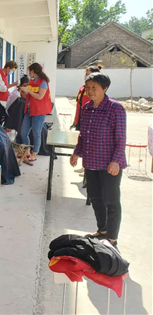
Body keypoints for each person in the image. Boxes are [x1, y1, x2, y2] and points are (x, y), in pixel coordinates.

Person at [70, 73, 126, 248]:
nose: (90, 91)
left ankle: (112, 238)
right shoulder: (86, 108)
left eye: (94, 87)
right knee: (95, 197)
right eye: (88, 87)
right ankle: (102, 230)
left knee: (111, 201)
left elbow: (121, 138)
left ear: (105, 88)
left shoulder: (115, 108)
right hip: (91, 161)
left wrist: (116, 160)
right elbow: (83, 135)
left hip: (110, 164)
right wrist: (76, 153)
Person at [20, 62, 52, 162]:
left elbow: (40, 96)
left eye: (30, 71)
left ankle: (35, 153)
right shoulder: (32, 81)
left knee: (36, 133)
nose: (29, 73)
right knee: (23, 132)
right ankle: (27, 151)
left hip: (39, 111)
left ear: (33, 71)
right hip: (29, 110)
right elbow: (31, 95)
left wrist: (28, 91)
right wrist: (24, 92)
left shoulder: (43, 82)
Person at [73, 65, 102, 131]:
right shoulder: (82, 88)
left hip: (90, 122)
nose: (87, 77)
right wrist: (75, 120)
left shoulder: (98, 90)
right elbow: (78, 105)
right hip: (81, 120)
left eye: (89, 75)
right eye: (86, 75)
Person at [0, 61, 19, 125]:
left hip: (2, 101)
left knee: (1, 120)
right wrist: (13, 84)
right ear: (8, 68)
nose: (12, 72)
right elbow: (2, 88)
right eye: (12, 70)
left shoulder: (5, 75)